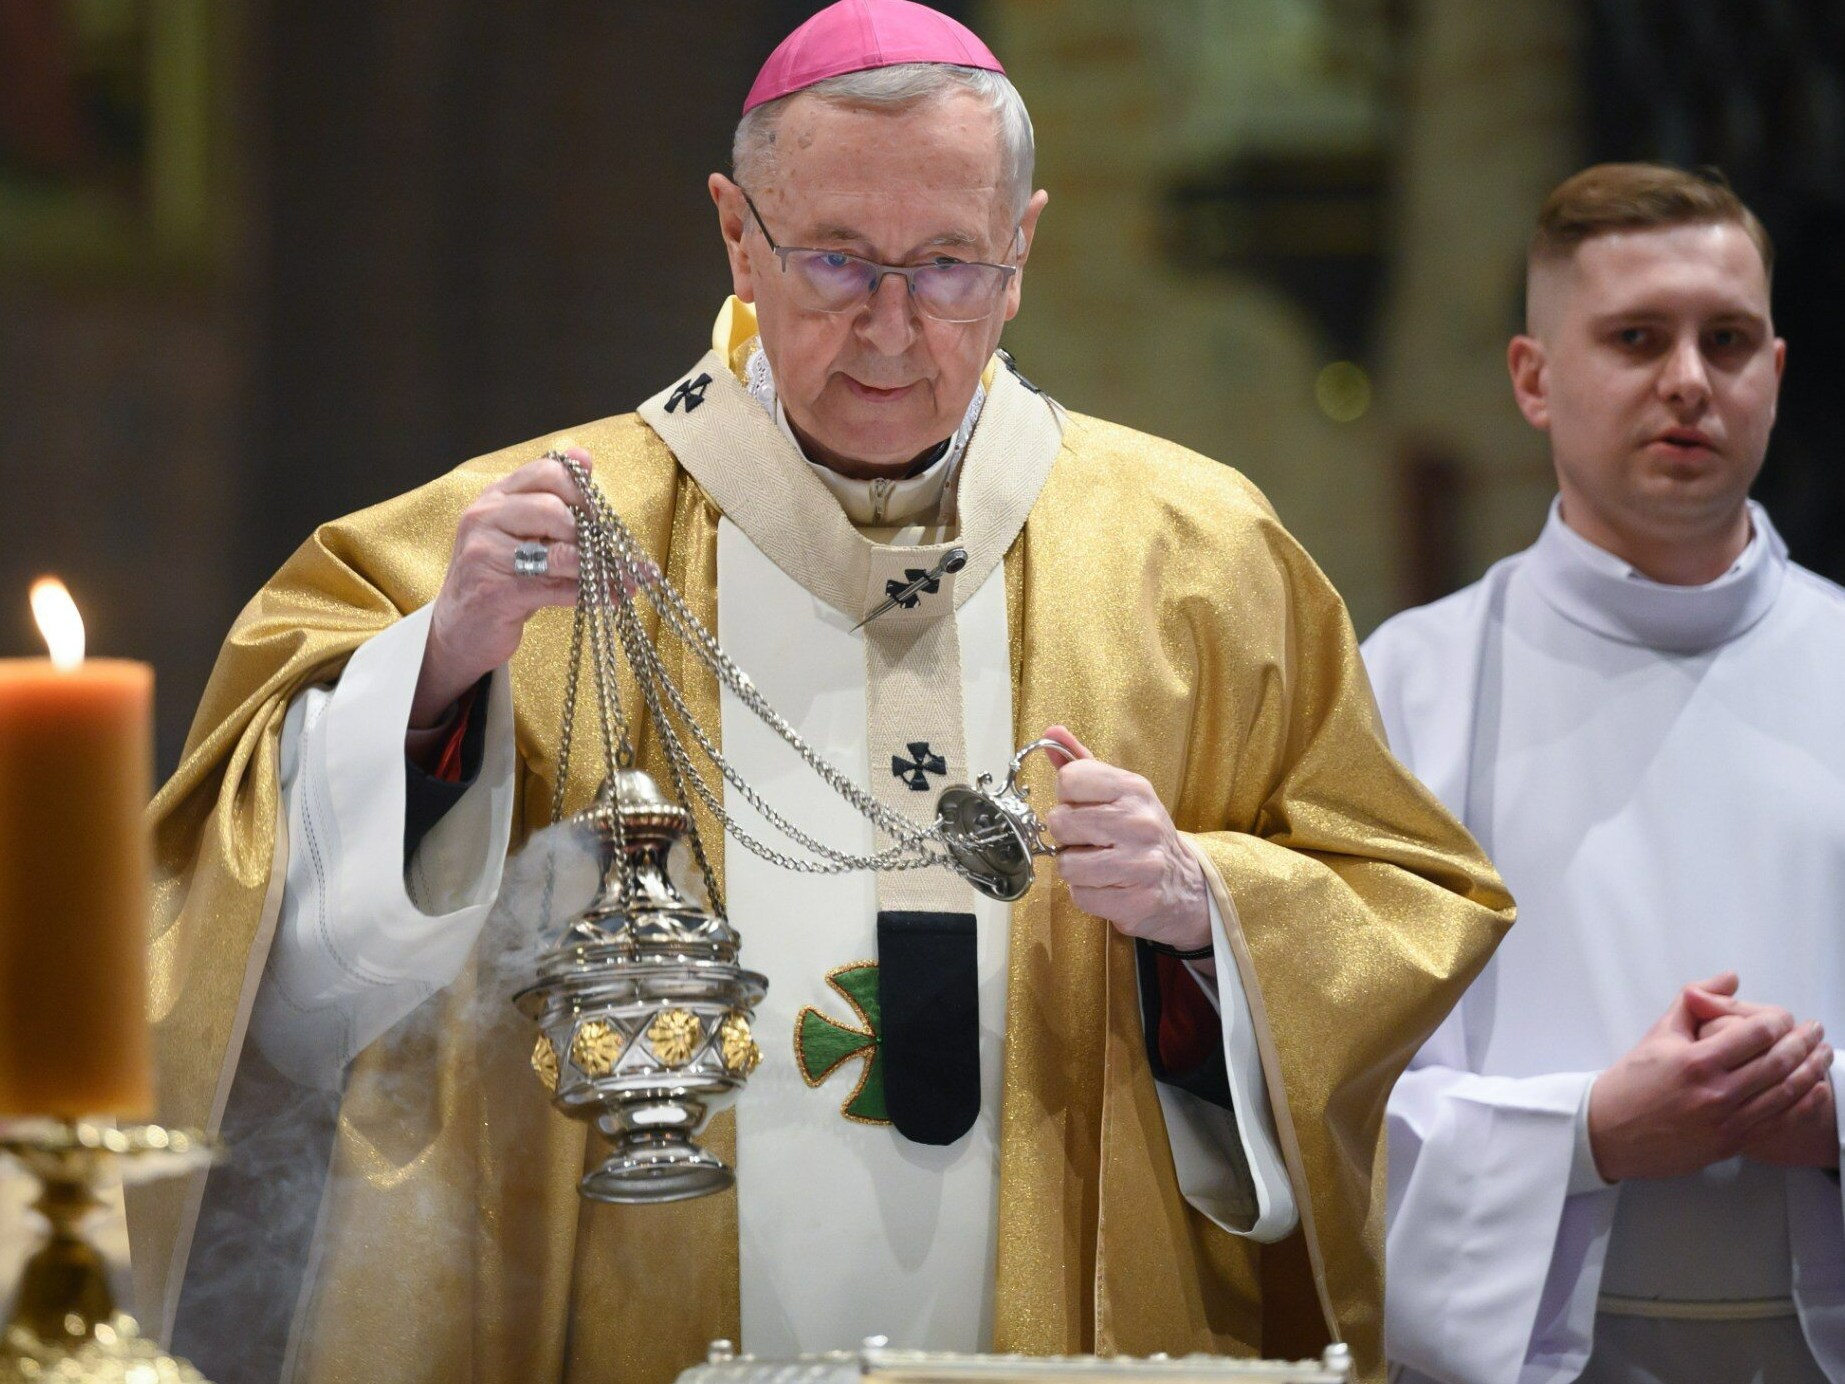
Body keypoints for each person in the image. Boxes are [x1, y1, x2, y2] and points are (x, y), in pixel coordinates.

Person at [129, 4, 1510, 1381]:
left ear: (1022, 249)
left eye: (950, 264)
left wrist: (1206, 910)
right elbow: (251, 945)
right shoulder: (525, 533)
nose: (894, 328)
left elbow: (1396, 902)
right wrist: (441, 672)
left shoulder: (1202, 564)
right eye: (838, 260)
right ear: (738, 233)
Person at [1366, 162, 1845, 1383]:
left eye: (1727, 340)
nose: (1689, 378)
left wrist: (1830, 1117)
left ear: (1775, 377)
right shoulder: (1405, 689)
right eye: (1637, 337)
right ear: (1533, 377)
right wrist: (1588, 1132)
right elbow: (1326, 1093)